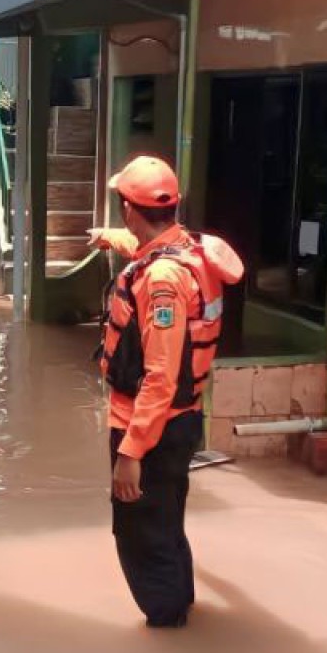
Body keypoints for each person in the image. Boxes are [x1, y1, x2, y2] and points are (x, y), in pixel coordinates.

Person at [89, 155, 244, 628]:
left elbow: (160, 375)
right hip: (182, 420)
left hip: (149, 427)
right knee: (165, 522)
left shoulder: (161, 281)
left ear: (130, 209)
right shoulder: (188, 248)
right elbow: (142, 247)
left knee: (140, 532)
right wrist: (106, 238)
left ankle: (167, 624)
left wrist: (132, 452)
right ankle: (180, 606)